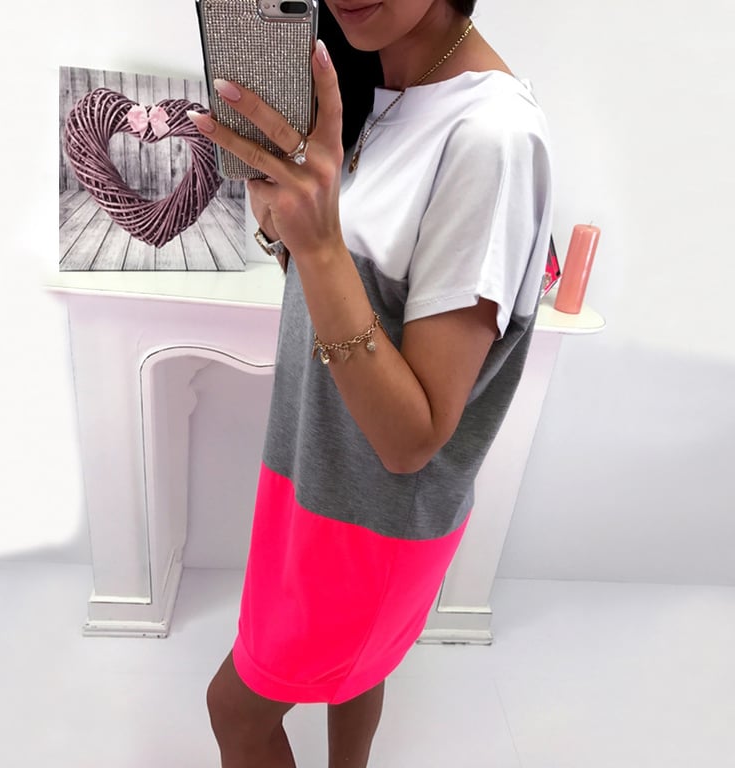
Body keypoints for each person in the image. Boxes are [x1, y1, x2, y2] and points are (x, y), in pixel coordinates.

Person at [187, 1, 553, 765]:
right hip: (310, 481)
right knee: (353, 674)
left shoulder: (491, 138)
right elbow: (358, 307)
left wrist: (321, 247)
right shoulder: (381, 95)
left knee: (235, 710)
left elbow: (411, 440)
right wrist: (287, 231)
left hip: (367, 522)